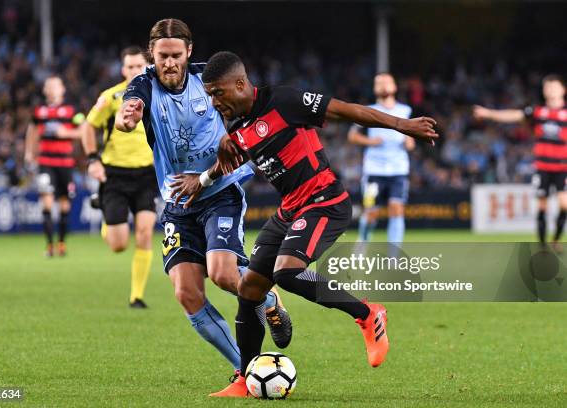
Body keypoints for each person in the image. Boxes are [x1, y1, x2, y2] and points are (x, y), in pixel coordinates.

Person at [169, 51, 438, 397]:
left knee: (285, 273)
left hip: (325, 202)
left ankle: (368, 313)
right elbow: (228, 158)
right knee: (250, 289)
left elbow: (347, 110)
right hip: (290, 210)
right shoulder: (237, 129)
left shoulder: (284, 101)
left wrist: (402, 125)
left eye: (218, 93)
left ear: (240, 84)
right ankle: (245, 380)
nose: (214, 101)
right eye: (209, 95)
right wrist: (202, 180)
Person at [114, 19, 292, 373]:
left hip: (220, 191)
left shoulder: (207, 81)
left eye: (175, 55)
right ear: (152, 55)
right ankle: (247, 370)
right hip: (178, 205)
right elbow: (128, 110)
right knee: (186, 293)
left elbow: (246, 112)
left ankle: (269, 299)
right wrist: (128, 116)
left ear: (188, 52)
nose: (169, 63)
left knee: (224, 274)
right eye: (162, 56)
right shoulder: (144, 84)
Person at [81, 46, 157, 308]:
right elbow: (88, 127)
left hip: (147, 174)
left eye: (139, 66)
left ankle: (136, 296)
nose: (135, 71)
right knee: (118, 244)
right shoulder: (110, 97)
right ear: (123, 70)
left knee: (145, 232)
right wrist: (92, 159)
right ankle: (105, 209)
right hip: (115, 174)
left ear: (146, 67)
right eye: (130, 67)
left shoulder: (155, 94)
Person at [473, 75, 567, 251]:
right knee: (542, 206)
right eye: (547, 87)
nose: (550, 89)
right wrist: (490, 113)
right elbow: (514, 115)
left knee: (564, 205)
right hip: (543, 167)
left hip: (563, 167)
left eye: (554, 86)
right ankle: (543, 245)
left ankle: (555, 239)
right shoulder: (538, 112)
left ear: (563, 90)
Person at [348, 73, 414, 245]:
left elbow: (411, 142)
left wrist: (409, 142)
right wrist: (371, 141)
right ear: (375, 88)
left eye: (387, 82)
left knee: (396, 209)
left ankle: (394, 254)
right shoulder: (368, 111)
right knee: (371, 212)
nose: (384, 85)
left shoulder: (405, 111)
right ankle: (362, 245)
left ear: (395, 87)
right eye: (379, 83)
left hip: (398, 170)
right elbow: (352, 136)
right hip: (374, 170)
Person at [25, 75, 82, 257]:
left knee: (65, 204)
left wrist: (67, 132)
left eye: (55, 86)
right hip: (45, 163)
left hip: (65, 163)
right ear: (44, 90)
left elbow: (84, 130)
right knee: (47, 203)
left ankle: (62, 243)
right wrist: (29, 152)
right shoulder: (39, 111)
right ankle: (49, 246)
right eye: (48, 86)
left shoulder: (72, 110)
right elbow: (32, 130)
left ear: (62, 89)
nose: (51, 89)